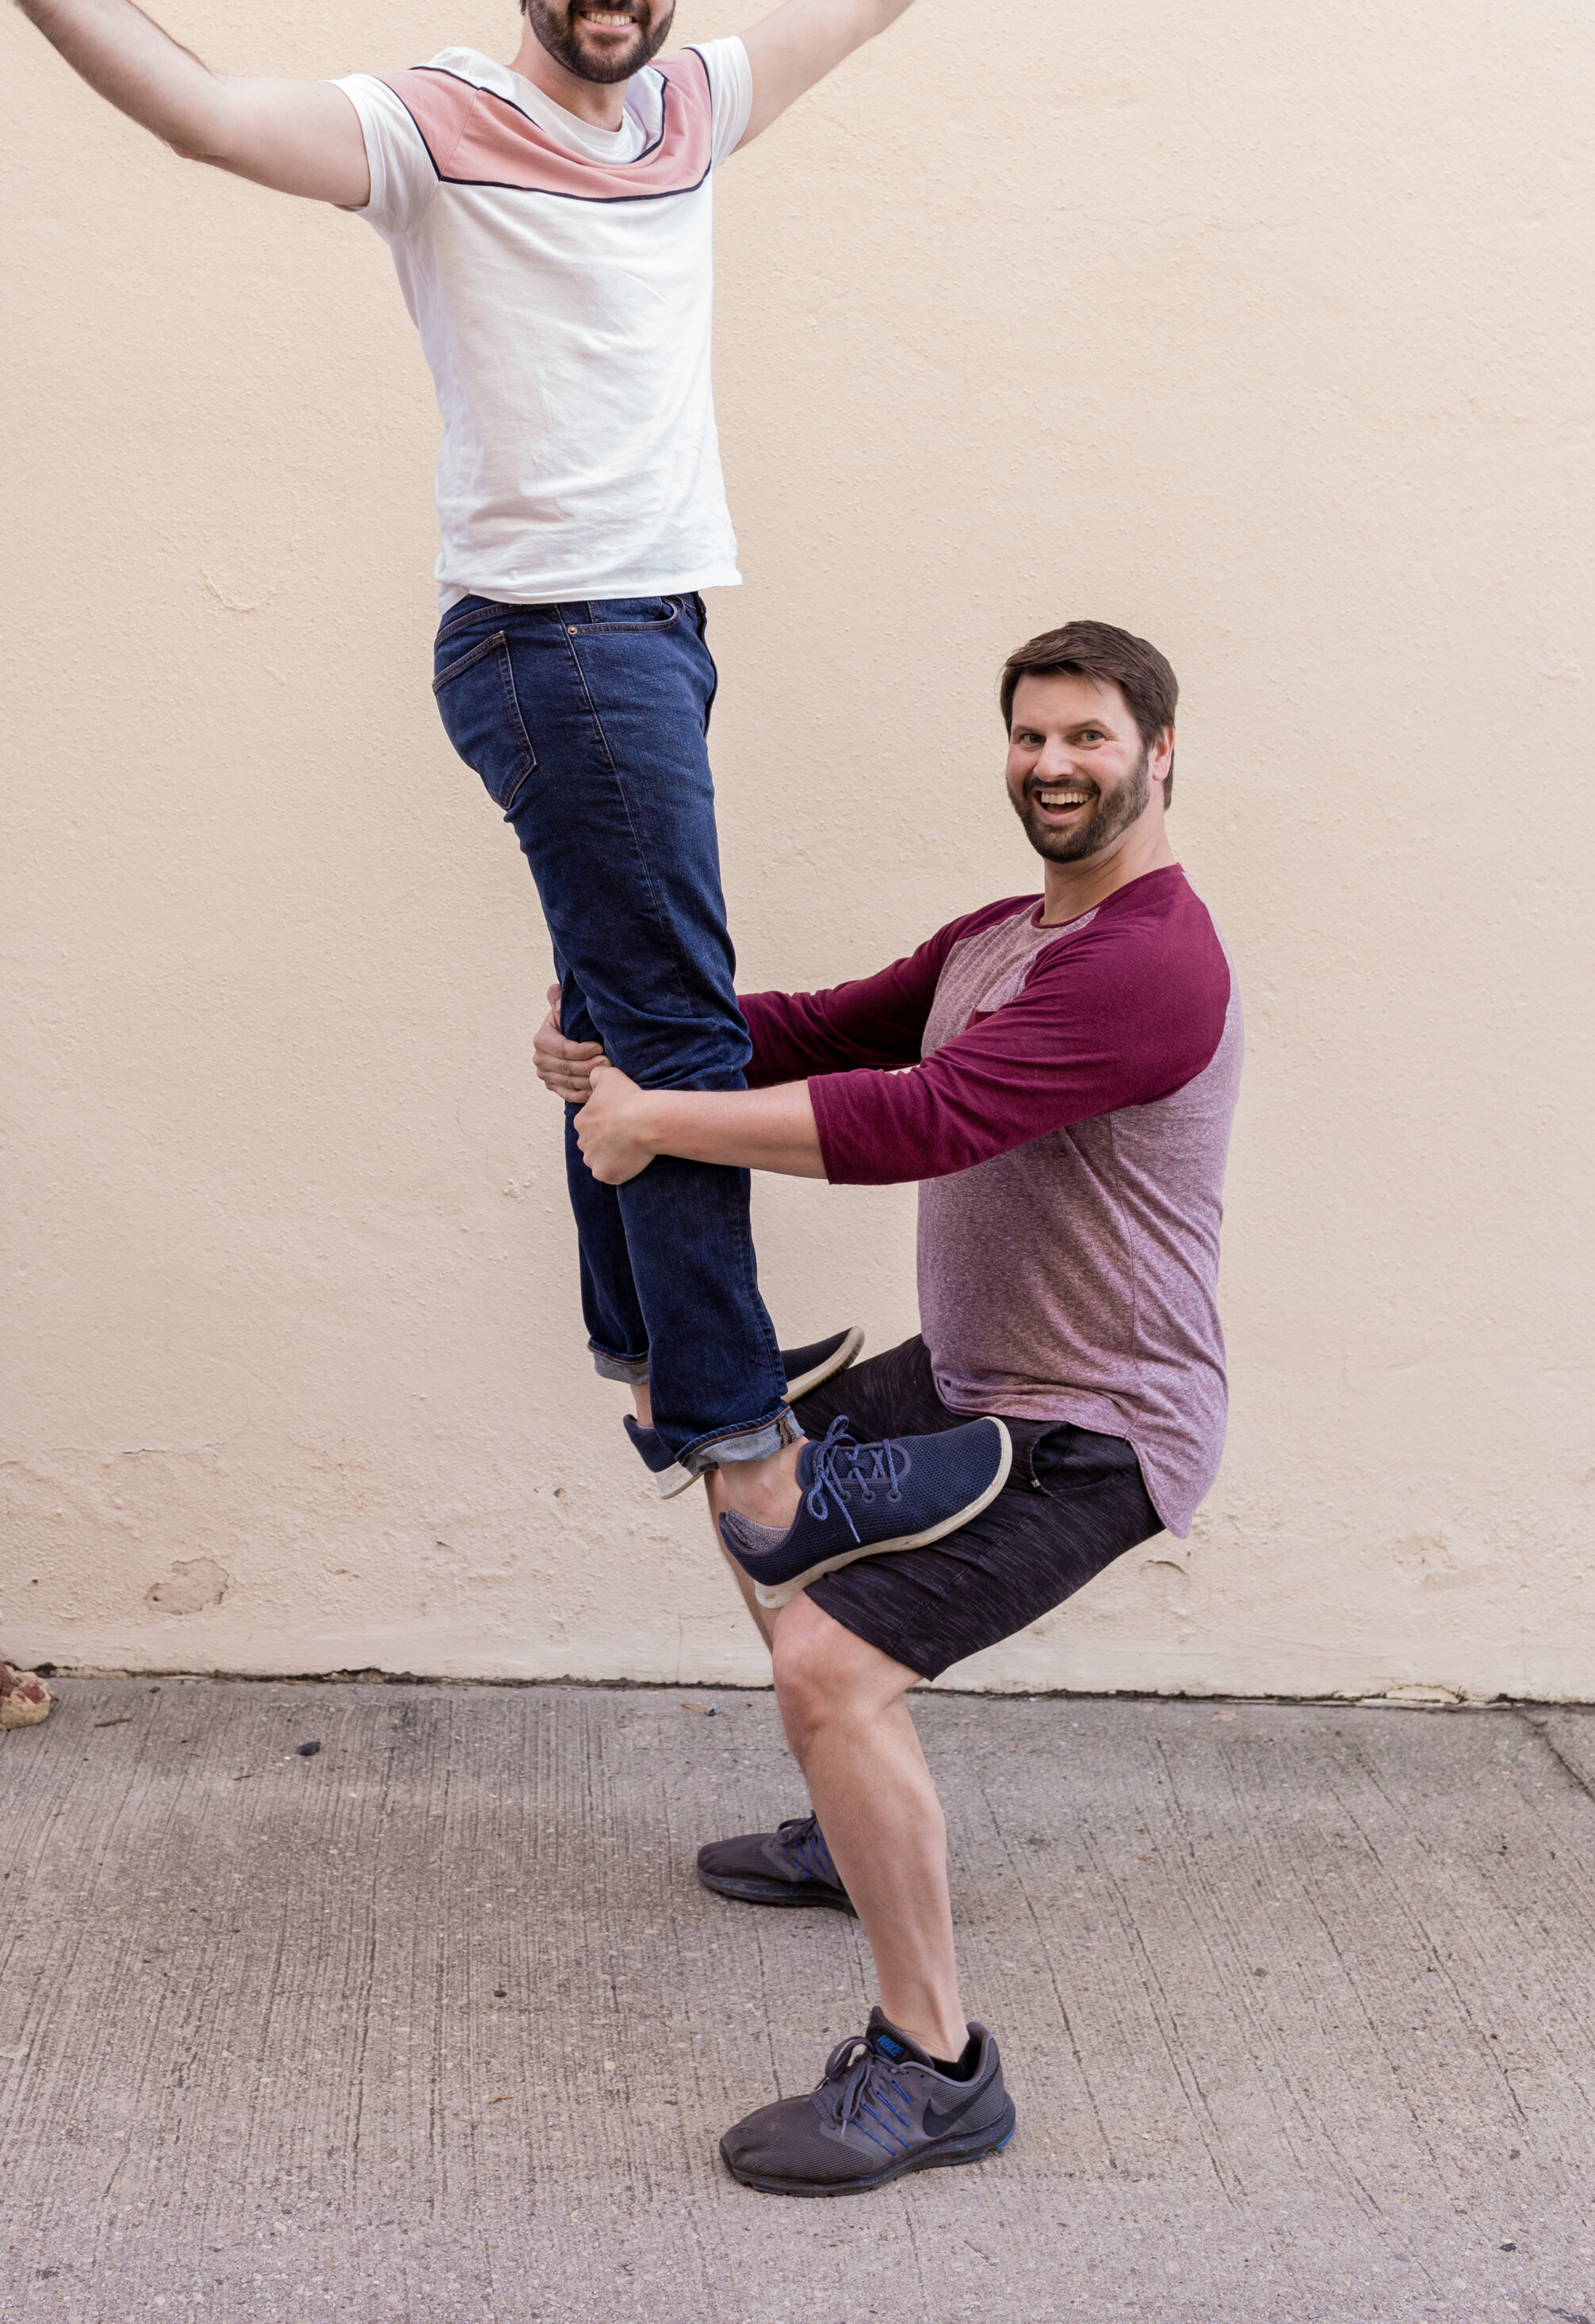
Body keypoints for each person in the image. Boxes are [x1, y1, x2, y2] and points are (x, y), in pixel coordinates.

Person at [0, 0, 1093, 1576]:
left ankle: (644, 1356)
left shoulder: (692, 110)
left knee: (612, 1018)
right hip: (558, 648)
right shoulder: (438, 123)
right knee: (681, 1036)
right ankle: (748, 1461)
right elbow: (209, 112)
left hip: (652, 635)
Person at [534, 621, 1244, 2194]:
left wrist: (661, 1122)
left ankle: (934, 2071)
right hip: (979, 1367)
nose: (1051, 765)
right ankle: (852, 1832)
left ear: (1159, 753)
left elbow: (924, 1117)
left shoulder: (1150, 963)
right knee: (739, 1479)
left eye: (1086, 740)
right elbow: (831, 1027)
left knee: (822, 1664)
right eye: (1028, 738)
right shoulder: (1003, 934)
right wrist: (618, 1043)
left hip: (1096, 1421)